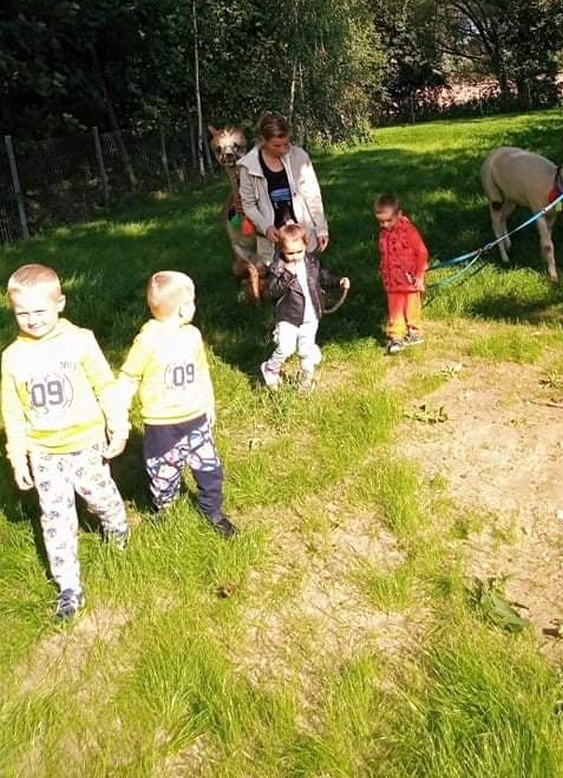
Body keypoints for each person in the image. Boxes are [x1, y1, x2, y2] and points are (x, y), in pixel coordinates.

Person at [1, 263, 129, 620]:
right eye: (22, 313)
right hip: (44, 453)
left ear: (60, 303)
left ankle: (117, 528)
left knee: (101, 497)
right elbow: (12, 414)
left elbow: (105, 385)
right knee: (55, 518)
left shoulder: (81, 341)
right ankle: (68, 587)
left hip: (86, 444)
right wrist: (18, 457)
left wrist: (118, 427)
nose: (32, 320)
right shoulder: (11, 358)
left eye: (40, 311)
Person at [115, 271, 236, 538]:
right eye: (192, 302)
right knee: (163, 474)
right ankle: (165, 508)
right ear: (184, 308)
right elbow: (129, 376)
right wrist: (118, 412)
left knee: (210, 468)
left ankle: (212, 510)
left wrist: (208, 403)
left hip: (195, 418)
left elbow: (201, 371)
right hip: (162, 425)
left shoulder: (192, 336)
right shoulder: (147, 341)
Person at [260, 223, 350, 392]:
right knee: (286, 347)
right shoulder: (278, 268)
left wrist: (339, 281)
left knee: (306, 350)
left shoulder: (312, 263)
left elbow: (324, 278)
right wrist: (287, 275)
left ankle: (306, 379)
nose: (295, 256)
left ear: (306, 245)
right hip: (289, 316)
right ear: (281, 249)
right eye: (290, 253)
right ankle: (271, 367)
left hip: (310, 315)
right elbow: (270, 292)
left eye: (299, 251)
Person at [237, 112, 329, 265]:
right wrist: (265, 227)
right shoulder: (248, 167)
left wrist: (321, 229)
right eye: (277, 145)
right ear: (263, 140)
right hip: (273, 236)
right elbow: (249, 205)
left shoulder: (300, 157)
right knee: (277, 275)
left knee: (308, 272)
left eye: (286, 143)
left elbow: (313, 196)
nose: (283, 149)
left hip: (300, 231)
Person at [374, 194, 429, 355]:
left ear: (399, 214)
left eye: (388, 221)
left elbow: (422, 252)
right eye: (381, 222)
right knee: (395, 309)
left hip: (410, 280)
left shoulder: (409, 232)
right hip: (392, 281)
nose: (385, 225)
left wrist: (419, 275)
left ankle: (415, 332)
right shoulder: (384, 234)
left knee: (412, 307)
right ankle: (396, 336)